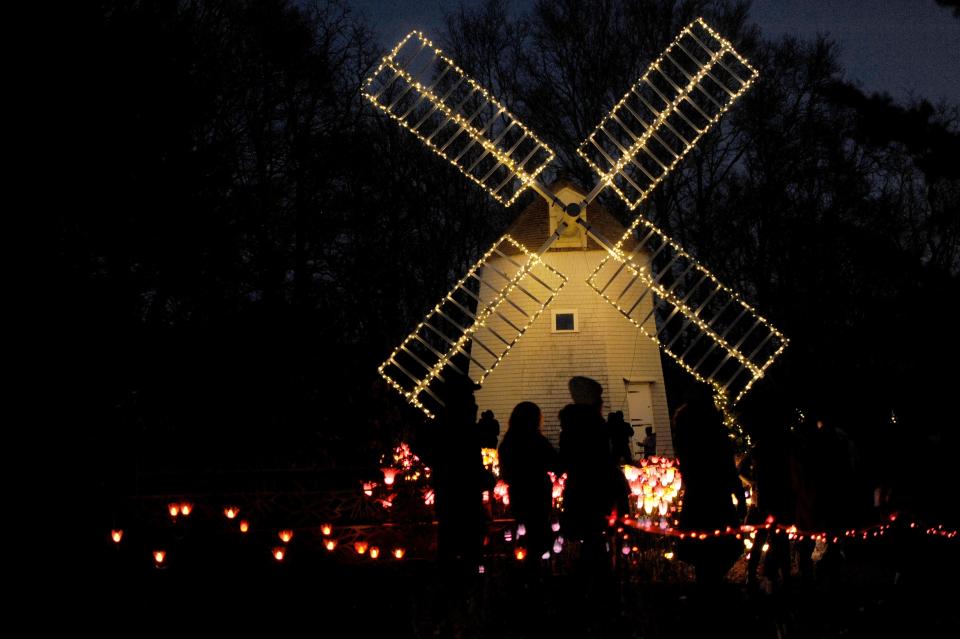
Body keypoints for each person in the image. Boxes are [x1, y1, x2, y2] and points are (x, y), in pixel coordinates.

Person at [498, 402, 559, 559]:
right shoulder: (537, 441)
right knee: (539, 537)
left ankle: (523, 571)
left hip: (518, 494)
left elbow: (505, 473)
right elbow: (554, 462)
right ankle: (536, 573)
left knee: (523, 534)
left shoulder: (507, 443)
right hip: (538, 493)